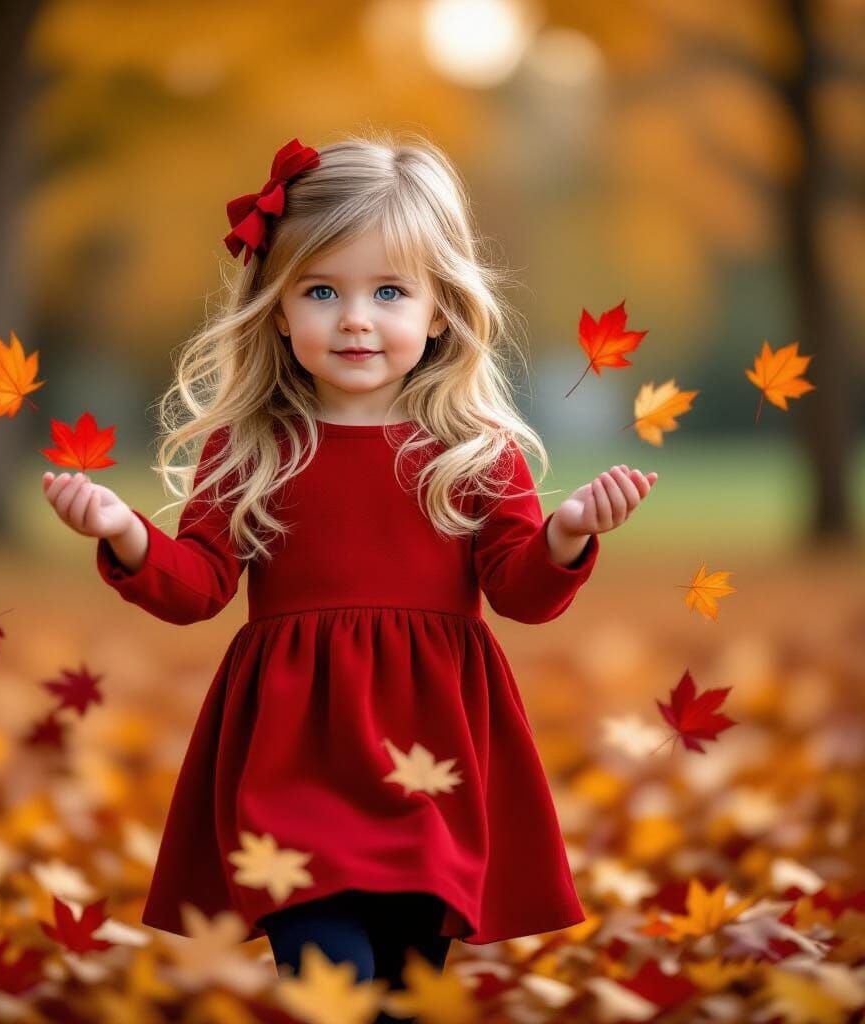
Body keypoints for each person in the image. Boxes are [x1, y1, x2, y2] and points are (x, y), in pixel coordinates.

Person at [41, 131, 657, 1010]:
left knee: (405, 987)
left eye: (389, 292)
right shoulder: (252, 445)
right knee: (330, 980)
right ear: (279, 310)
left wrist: (563, 536)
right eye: (322, 291)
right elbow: (199, 585)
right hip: (294, 756)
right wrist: (127, 534)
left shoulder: (472, 453)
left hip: (428, 759)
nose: (355, 317)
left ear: (440, 309)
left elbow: (520, 591)